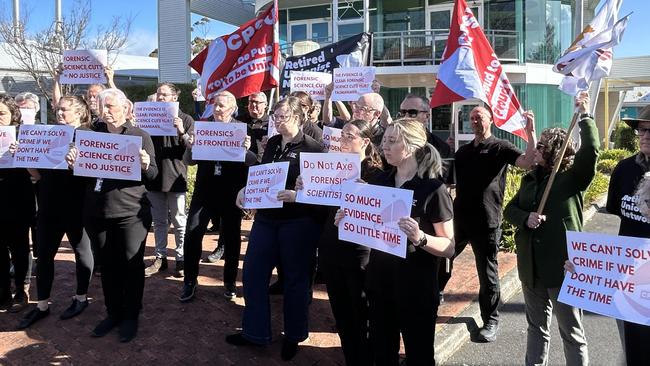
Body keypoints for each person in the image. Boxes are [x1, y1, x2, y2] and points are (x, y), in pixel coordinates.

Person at [336, 118, 454, 365]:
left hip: (416, 287)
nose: (384, 147)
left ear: (410, 146)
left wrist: (420, 238)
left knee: (419, 354)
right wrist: (348, 217)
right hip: (379, 284)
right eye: (384, 140)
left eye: (392, 141)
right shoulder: (380, 182)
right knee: (382, 352)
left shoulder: (433, 189)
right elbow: (366, 226)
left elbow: (449, 247)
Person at [226, 96, 324, 361]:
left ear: (298, 117)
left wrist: (297, 194)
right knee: (253, 273)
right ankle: (255, 332)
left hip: (298, 222)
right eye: (275, 117)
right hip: (267, 220)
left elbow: (321, 191)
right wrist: (247, 189)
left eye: (284, 117)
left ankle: (294, 335)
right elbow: (263, 173)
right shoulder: (271, 143)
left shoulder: (315, 148)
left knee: (295, 280)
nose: (278, 122)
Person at [504, 92, 597, 366]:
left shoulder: (571, 180)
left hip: (563, 269)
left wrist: (586, 116)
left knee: (571, 333)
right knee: (536, 329)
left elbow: (591, 153)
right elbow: (510, 210)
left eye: (544, 146)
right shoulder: (530, 179)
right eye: (540, 144)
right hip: (531, 270)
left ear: (557, 151)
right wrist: (525, 218)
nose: (538, 149)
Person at [65, 88, 157, 342]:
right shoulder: (88, 135)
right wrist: (73, 163)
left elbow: (153, 176)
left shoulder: (140, 136)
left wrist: (146, 164)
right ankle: (113, 312)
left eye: (111, 107)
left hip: (130, 214)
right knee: (108, 266)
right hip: (97, 212)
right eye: (102, 106)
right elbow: (81, 175)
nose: (105, 112)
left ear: (126, 109)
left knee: (132, 265)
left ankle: (130, 315)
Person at [438, 105, 536, 342]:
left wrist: (531, 133)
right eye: (471, 118)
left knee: (487, 273)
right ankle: (434, 293)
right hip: (460, 219)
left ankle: (490, 321)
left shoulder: (499, 147)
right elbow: (449, 183)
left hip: (487, 221)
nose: (474, 121)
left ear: (490, 120)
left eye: (479, 117)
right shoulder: (462, 152)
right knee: (442, 256)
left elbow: (526, 162)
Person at [17, 96, 95, 329]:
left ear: (80, 113)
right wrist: (25, 156)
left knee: (82, 252)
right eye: (58, 110)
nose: (60, 114)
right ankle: (42, 304)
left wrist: (78, 164)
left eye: (65, 110)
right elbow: (37, 174)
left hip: (77, 205)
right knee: (43, 256)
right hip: (49, 205)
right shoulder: (48, 134)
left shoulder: (88, 136)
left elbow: (95, 174)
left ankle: (81, 298)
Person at [315, 119, 383, 366]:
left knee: (359, 310)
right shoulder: (332, 167)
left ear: (365, 141)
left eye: (349, 136)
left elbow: (381, 211)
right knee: (341, 312)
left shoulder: (376, 173)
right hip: (331, 247)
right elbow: (318, 196)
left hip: (358, 252)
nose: (342, 140)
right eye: (341, 135)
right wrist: (303, 187)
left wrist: (362, 193)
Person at [179, 90, 255, 302]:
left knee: (231, 237)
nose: (217, 108)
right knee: (193, 233)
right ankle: (189, 281)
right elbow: (189, 162)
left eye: (222, 105)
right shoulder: (201, 127)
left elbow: (253, 160)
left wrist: (246, 150)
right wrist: (190, 146)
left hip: (231, 192)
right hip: (205, 191)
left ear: (232, 109)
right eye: (215, 105)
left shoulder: (242, 129)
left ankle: (230, 281)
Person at [605, 105, 650, 365]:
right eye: (641, 130)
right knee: (632, 346)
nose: (644, 135)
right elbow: (619, 216)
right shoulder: (623, 170)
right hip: (629, 277)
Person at [143, 82, 193, 278]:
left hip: (175, 177)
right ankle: (160, 257)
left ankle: (181, 258)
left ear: (174, 98)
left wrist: (181, 130)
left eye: (164, 95)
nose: (160, 98)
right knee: (159, 222)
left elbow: (191, 149)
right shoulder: (150, 117)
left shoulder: (186, 119)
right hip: (154, 176)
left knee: (180, 220)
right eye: (158, 94)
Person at [0, 95, 36, 313]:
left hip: (18, 197)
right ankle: (2, 291)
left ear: (13, 114)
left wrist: (23, 153)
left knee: (20, 247)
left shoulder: (25, 135)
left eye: (2, 114)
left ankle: (21, 289)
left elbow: (36, 172)